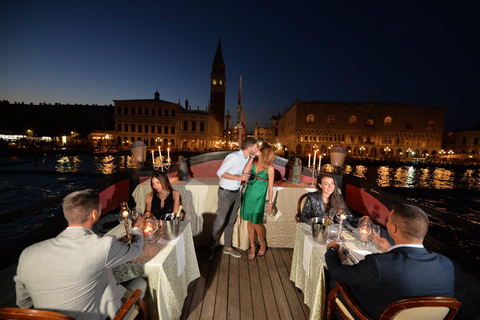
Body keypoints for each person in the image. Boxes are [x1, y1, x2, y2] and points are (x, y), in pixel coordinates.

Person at [14, 189, 146, 320]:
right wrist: (136, 228)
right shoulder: (103, 246)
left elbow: (23, 303)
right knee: (141, 283)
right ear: (94, 214)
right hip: (100, 316)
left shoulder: (27, 254)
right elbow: (136, 249)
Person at [325, 204, 455, 319]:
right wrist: (391, 251)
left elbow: (337, 273)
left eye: (388, 220)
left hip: (373, 315)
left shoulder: (378, 264)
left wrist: (332, 249)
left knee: (336, 284)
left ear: (393, 229)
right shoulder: (446, 264)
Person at [208, 137, 258, 259]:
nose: (257, 149)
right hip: (226, 193)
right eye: (255, 147)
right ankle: (210, 247)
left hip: (237, 192)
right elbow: (220, 173)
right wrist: (238, 178)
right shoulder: (234, 156)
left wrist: (251, 159)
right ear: (248, 148)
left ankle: (228, 247)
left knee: (231, 221)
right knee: (220, 221)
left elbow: (244, 172)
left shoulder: (247, 158)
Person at [241, 143, 275, 261]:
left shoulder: (270, 168)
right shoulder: (253, 163)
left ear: (264, 151)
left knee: (255, 222)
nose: (256, 149)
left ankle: (262, 243)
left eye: (259, 149)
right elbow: (245, 172)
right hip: (249, 193)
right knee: (249, 222)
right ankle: (252, 247)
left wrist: (270, 203)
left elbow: (271, 187)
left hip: (259, 196)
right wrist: (251, 158)